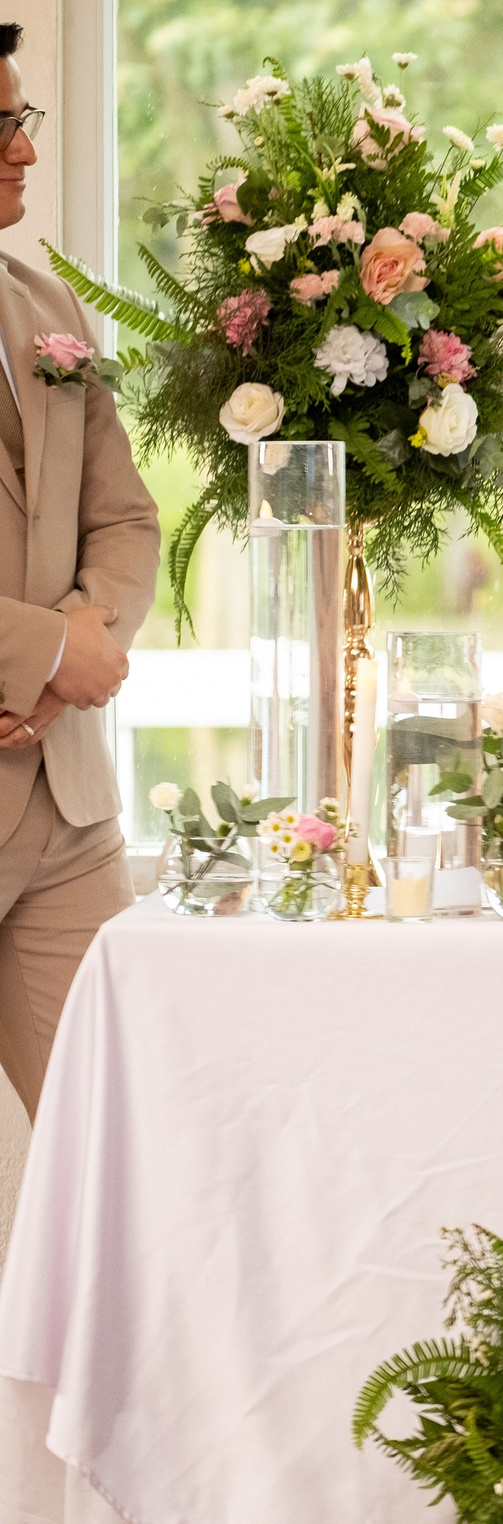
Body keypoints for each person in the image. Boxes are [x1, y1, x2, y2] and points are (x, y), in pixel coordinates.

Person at [0, 21, 159, 1116]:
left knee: (121, 1147)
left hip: (70, 816)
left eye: (26, 120)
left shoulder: (46, 309)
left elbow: (127, 520)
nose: (27, 149)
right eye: (5, 123)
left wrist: (77, 649)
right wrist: (47, 649)